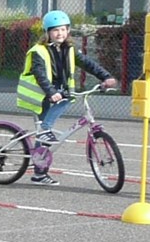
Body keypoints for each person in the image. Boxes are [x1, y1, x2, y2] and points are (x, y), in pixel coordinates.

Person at [15, 10, 117, 184]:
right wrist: (51, 92)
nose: (60, 33)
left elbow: (88, 64)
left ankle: (40, 169)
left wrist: (106, 77)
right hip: (40, 96)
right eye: (55, 30)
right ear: (47, 32)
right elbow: (40, 74)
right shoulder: (37, 51)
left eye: (63, 29)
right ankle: (40, 167)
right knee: (45, 132)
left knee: (54, 118)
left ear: (68, 31)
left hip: (60, 94)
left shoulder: (69, 49)